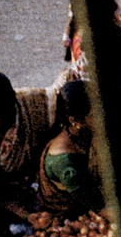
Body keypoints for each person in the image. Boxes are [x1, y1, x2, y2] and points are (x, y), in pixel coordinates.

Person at [0, 71, 55, 232]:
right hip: (9, 203)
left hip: (40, 184)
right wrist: (27, 216)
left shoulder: (33, 103)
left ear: (13, 100)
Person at [34, 80, 101, 223]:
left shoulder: (83, 133)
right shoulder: (64, 164)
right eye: (95, 114)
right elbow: (99, 207)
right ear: (75, 121)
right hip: (70, 217)